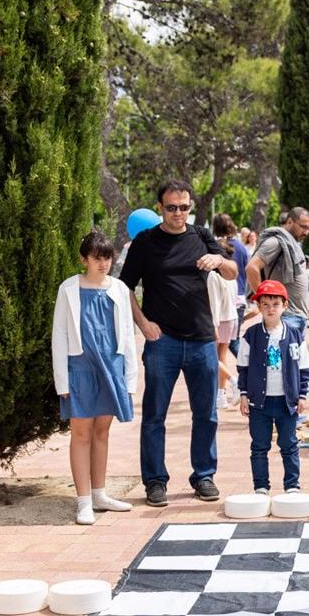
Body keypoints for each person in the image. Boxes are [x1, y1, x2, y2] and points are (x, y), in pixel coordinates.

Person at [120, 180, 237, 507]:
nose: (178, 213)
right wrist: (143, 324)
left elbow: (233, 271)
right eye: (171, 207)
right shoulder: (145, 242)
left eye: (184, 207)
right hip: (163, 342)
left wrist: (218, 262)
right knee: (155, 415)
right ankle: (155, 481)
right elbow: (124, 288)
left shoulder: (201, 236)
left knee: (206, 413)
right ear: (160, 208)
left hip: (201, 339)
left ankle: (204, 475)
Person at [52, 231, 138, 525]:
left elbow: (127, 334)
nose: (103, 264)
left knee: (102, 431)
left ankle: (100, 494)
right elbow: (60, 336)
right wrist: (62, 382)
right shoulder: (69, 289)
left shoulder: (119, 289)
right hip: (80, 368)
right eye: (97, 258)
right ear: (84, 259)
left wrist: (129, 380)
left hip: (111, 368)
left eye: (107, 258)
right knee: (81, 434)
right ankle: (84, 501)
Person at [238, 280, 309, 494]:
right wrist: (243, 394)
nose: (271, 309)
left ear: (284, 306)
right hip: (259, 402)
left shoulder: (295, 335)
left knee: (289, 445)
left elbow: (303, 368)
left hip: (287, 402)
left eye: (275, 304)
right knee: (259, 446)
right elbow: (243, 367)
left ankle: (292, 485)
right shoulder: (251, 335)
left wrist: (302, 395)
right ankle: (261, 486)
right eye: (265, 304)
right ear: (258, 307)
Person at [248, 207, 309, 339]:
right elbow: (251, 268)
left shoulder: (292, 244)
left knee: (292, 359)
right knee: (279, 360)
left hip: (296, 316)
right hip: (285, 317)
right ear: (290, 222)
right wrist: (263, 299)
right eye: (303, 227)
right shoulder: (276, 242)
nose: (306, 232)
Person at [207, 238, 240, 409]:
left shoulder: (213, 275)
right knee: (221, 356)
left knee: (211, 357)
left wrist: (213, 325)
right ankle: (221, 396)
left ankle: (233, 382)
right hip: (231, 318)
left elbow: (214, 303)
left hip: (219, 319)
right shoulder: (231, 276)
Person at [214, 214, 249, 355]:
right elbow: (246, 270)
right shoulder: (241, 247)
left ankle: (251, 366)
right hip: (238, 296)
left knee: (224, 345)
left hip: (222, 299)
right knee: (229, 343)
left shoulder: (216, 247)